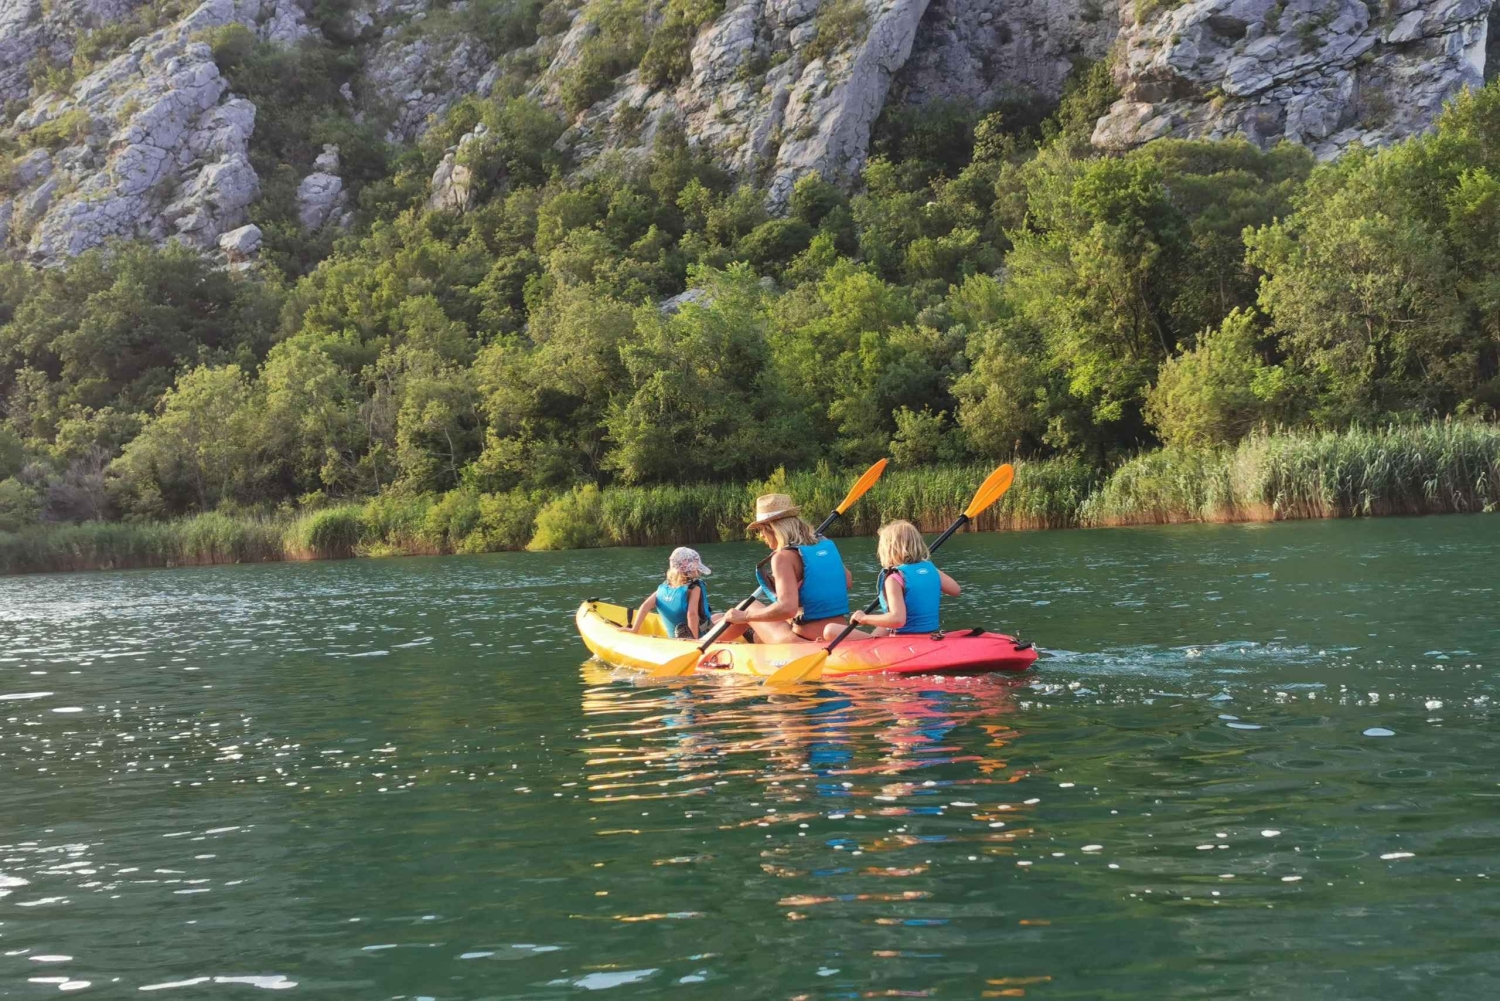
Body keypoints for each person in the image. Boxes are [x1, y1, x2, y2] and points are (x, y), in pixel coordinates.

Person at [719, 493, 852, 644]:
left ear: (772, 528)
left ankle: (698, 645)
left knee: (747, 606)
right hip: (838, 635)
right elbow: (847, 581)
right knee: (760, 626)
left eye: (761, 529)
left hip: (800, 641)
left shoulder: (782, 558)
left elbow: (787, 609)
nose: (761, 536)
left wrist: (745, 617)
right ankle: (751, 637)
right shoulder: (825, 546)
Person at [825, 520, 959, 640]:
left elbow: (898, 620)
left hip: (905, 640)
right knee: (881, 628)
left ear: (888, 549)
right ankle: (873, 638)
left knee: (830, 630)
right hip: (929, 634)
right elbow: (956, 590)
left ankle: (869, 643)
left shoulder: (894, 578)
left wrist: (864, 618)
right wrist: (928, 569)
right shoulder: (931, 569)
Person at [630, 547, 713, 639]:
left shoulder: (664, 588)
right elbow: (692, 615)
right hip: (697, 636)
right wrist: (694, 641)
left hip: (673, 636)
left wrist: (634, 629)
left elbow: (645, 606)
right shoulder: (694, 589)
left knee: (718, 616)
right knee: (725, 619)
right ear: (692, 570)